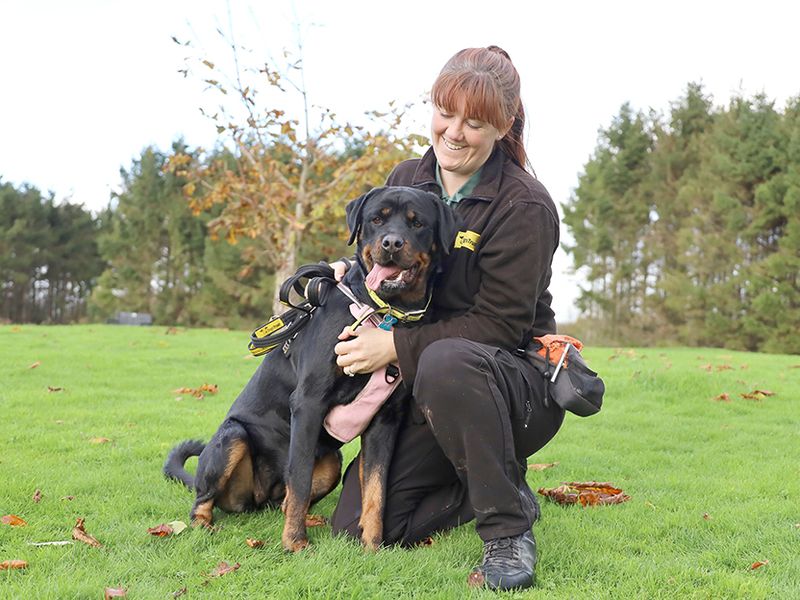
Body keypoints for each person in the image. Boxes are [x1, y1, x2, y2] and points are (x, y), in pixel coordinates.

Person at [329, 45, 564, 591]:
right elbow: (382, 263)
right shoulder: (409, 175)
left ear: (504, 126)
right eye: (445, 112)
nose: (454, 132)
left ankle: (507, 528)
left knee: (447, 359)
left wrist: (393, 350)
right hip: (427, 384)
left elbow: (501, 327)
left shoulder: (523, 206)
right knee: (362, 528)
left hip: (511, 386)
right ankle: (483, 478)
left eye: (475, 122)